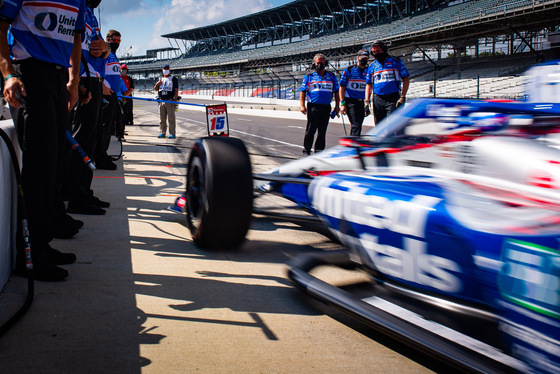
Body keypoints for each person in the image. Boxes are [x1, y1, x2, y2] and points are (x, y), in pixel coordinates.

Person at [0, 0, 86, 281]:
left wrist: (73, 81)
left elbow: (76, 36)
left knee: (55, 165)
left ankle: (42, 244)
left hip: (59, 78)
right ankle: (30, 256)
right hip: (30, 73)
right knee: (39, 168)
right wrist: (8, 73)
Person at [65, 0, 111, 215]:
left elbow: (99, 49)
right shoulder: (76, 6)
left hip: (94, 78)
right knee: (81, 139)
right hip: (80, 77)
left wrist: (106, 48)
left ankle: (84, 191)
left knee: (90, 140)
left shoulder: (90, 13)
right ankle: (76, 195)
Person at [299, 53, 340, 155]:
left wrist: (337, 106)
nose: (320, 65)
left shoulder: (331, 76)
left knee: (322, 131)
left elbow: (336, 91)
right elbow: (303, 91)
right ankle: (306, 150)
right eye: (318, 63)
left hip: (326, 107)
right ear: (314, 63)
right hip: (313, 106)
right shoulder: (310, 76)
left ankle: (319, 151)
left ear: (325, 63)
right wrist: (302, 105)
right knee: (310, 130)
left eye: (322, 63)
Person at [94, 29, 122, 170]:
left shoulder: (114, 55)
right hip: (105, 93)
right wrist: (102, 84)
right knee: (103, 125)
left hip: (113, 94)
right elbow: (97, 68)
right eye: (114, 40)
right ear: (108, 39)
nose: (116, 43)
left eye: (119, 41)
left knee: (109, 125)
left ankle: (103, 153)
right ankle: (99, 156)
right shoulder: (104, 52)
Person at [364, 40, 410, 125]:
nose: (376, 54)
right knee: (379, 127)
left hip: (393, 98)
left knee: (393, 125)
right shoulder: (372, 66)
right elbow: (369, 85)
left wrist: (403, 96)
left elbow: (406, 79)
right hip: (377, 99)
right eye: (374, 52)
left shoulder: (396, 61)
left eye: (378, 51)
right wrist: (367, 101)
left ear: (384, 49)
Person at [339, 49, 369, 136]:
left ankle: (352, 143)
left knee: (358, 125)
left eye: (365, 59)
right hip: (350, 102)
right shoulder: (349, 69)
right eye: (362, 58)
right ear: (357, 58)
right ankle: (353, 145)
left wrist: (367, 103)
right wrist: (342, 104)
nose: (363, 60)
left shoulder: (369, 70)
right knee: (356, 125)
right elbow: (342, 87)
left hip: (361, 102)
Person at [154, 64, 178, 139]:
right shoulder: (160, 78)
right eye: (164, 69)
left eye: (167, 69)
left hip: (170, 100)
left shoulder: (173, 78)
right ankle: (162, 132)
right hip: (161, 100)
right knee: (162, 119)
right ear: (162, 70)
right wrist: (157, 84)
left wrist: (175, 99)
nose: (166, 70)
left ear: (169, 70)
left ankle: (172, 133)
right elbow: (155, 89)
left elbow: (176, 89)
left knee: (171, 118)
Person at [120, 64, 134, 129]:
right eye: (122, 69)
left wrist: (126, 95)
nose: (123, 71)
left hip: (128, 96)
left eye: (125, 70)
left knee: (128, 109)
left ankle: (129, 121)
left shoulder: (129, 79)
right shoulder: (118, 78)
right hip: (120, 97)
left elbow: (131, 88)